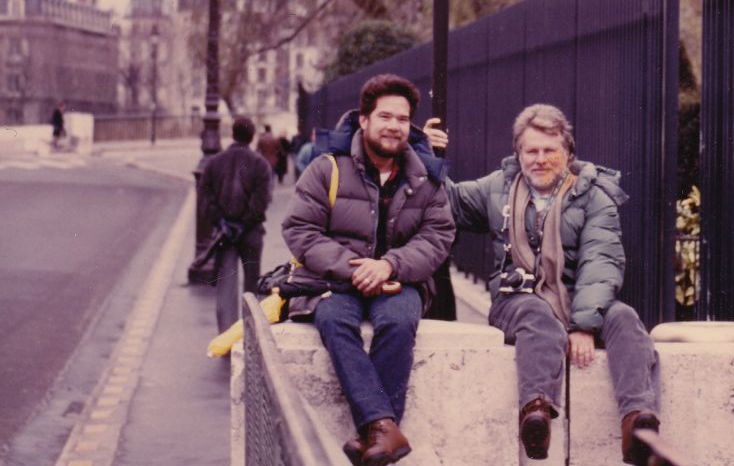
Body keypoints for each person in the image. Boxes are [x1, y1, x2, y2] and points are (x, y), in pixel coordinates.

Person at [425, 104, 665, 465]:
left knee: (626, 319)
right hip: (517, 299)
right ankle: (536, 412)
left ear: (568, 153)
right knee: (537, 316)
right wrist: (424, 154)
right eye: (530, 151)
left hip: (579, 299)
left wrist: (584, 325)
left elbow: (601, 262)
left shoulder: (595, 196)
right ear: (518, 153)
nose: (539, 159)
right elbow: (448, 203)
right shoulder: (498, 188)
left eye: (549, 150)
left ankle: (638, 422)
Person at [281, 74, 455, 466]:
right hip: (336, 281)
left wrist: (390, 264)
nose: (394, 126)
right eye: (384, 117)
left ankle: (372, 435)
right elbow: (299, 228)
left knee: (398, 323)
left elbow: (439, 235)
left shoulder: (426, 176)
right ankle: (383, 427)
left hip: (399, 282)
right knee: (332, 321)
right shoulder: (327, 168)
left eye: (402, 119)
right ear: (364, 121)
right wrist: (352, 267)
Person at [198, 117, 273, 332]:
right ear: (251, 137)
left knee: (225, 285)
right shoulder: (260, 164)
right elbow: (261, 201)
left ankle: (226, 333)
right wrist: (245, 223)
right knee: (251, 284)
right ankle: (249, 332)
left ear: (232, 134)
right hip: (250, 232)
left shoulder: (215, 162)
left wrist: (221, 220)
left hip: (224, 233)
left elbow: (205, 197)